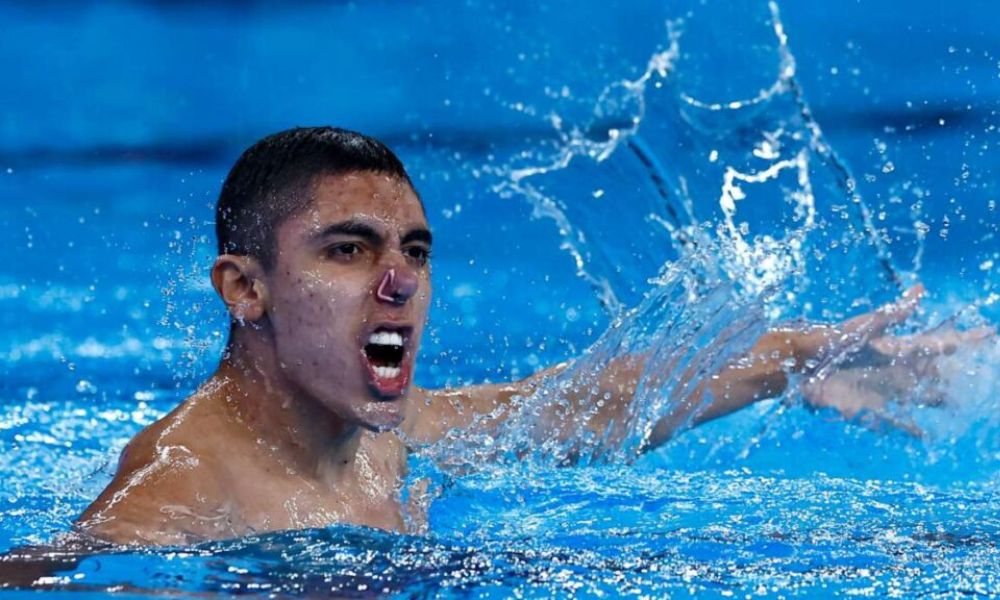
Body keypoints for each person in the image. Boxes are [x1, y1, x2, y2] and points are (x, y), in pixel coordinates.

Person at [72, 126, 988, 545]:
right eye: (347, 250)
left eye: (415, 252)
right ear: (245, 288)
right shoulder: (176, 500)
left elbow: (564, 413)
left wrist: (790, 361)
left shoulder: (373, 438)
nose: (399, 283)